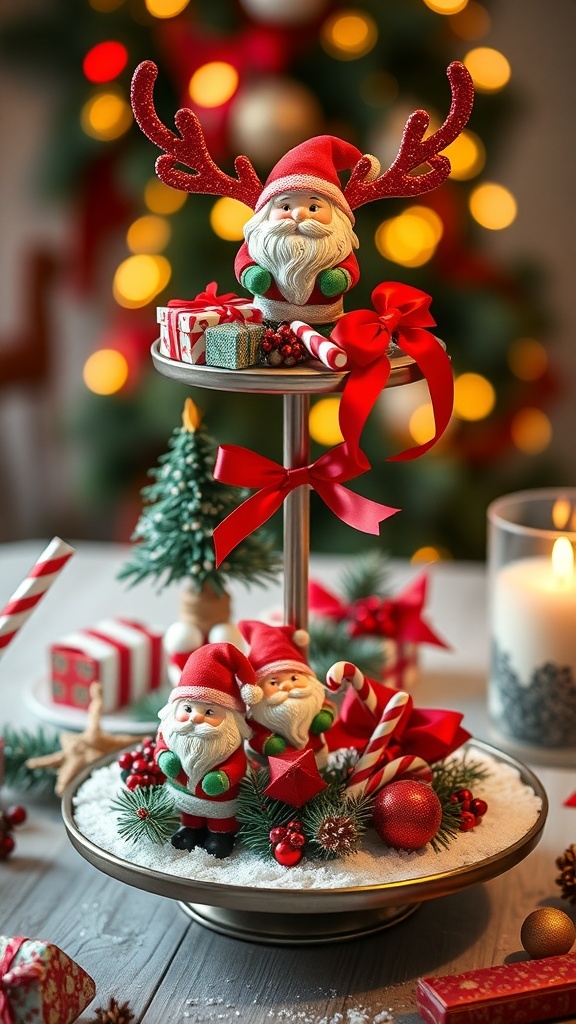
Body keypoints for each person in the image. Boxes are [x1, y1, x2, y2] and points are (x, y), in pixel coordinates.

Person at [234, 136, 378, 329]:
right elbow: (244, 261)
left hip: (324, 321)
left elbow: (350, 268)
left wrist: (341, 278)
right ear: (266, 213)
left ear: (335, 214)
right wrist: (252, 274)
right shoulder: (260, 242)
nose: (298, 214)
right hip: (269, 320)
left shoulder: (337, 245)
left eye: (313, 207)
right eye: (285, 206)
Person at [155, 642, 259, 859]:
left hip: (221, 803)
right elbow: (162, 747)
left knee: (221, 821)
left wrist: (223, 778)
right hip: (185, 797)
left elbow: (237, 764)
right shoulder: (171, 732)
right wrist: (165, 757)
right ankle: (191, 830)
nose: (195, 717)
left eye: (209, 711)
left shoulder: (228, 743)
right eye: (188, 708)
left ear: (230, 720)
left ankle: (221, 835)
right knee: (190, 816)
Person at [238, 620, 334, 767]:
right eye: (273, 683)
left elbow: (327, 706)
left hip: (315, 756)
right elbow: (255, 735)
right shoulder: (259, 716)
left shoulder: (313, 701)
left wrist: (324, 715)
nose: (287, 686)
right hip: (274, 765)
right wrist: (268, 743)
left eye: (294, 678)